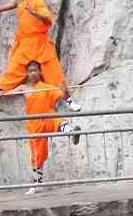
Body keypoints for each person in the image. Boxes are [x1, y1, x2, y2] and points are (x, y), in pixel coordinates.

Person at [0, 0, 80, 111]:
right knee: (12, 71)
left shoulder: (37, 0)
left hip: (41, 43)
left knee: (55, 74)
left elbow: (48, 19)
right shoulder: (18, 1)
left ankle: (69, 100)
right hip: (25, 44)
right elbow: (0, 8)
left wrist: (35, 13)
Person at [9, 61, 82, 194]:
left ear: (40, 72)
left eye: (35, 70)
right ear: (27, 73)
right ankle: (37, 182)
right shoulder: (23, 88)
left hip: (47, 117)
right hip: (34, 124)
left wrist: (65, 91)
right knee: (37, 154)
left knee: (57, 119)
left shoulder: (46, 87)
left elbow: (61, 95)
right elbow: (7, 93)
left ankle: (71, 133)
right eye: (30, 71)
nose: (33, 73)